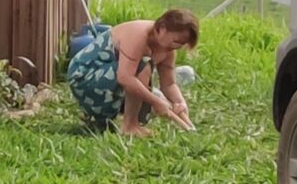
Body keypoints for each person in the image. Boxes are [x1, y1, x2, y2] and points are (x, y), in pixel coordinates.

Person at [68, 8, 199, 136]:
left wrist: (180, 102)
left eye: (181, 45)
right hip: (84, 77)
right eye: (175, 41)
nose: (176, 47)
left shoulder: (167, 51)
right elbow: (125, 77)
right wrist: (156, 102)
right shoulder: (139, 35)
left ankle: (119, 120)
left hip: (107, 78)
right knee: (142, 67)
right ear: (162, 28)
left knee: (151, 91)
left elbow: (169, 84)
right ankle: (129, 125)